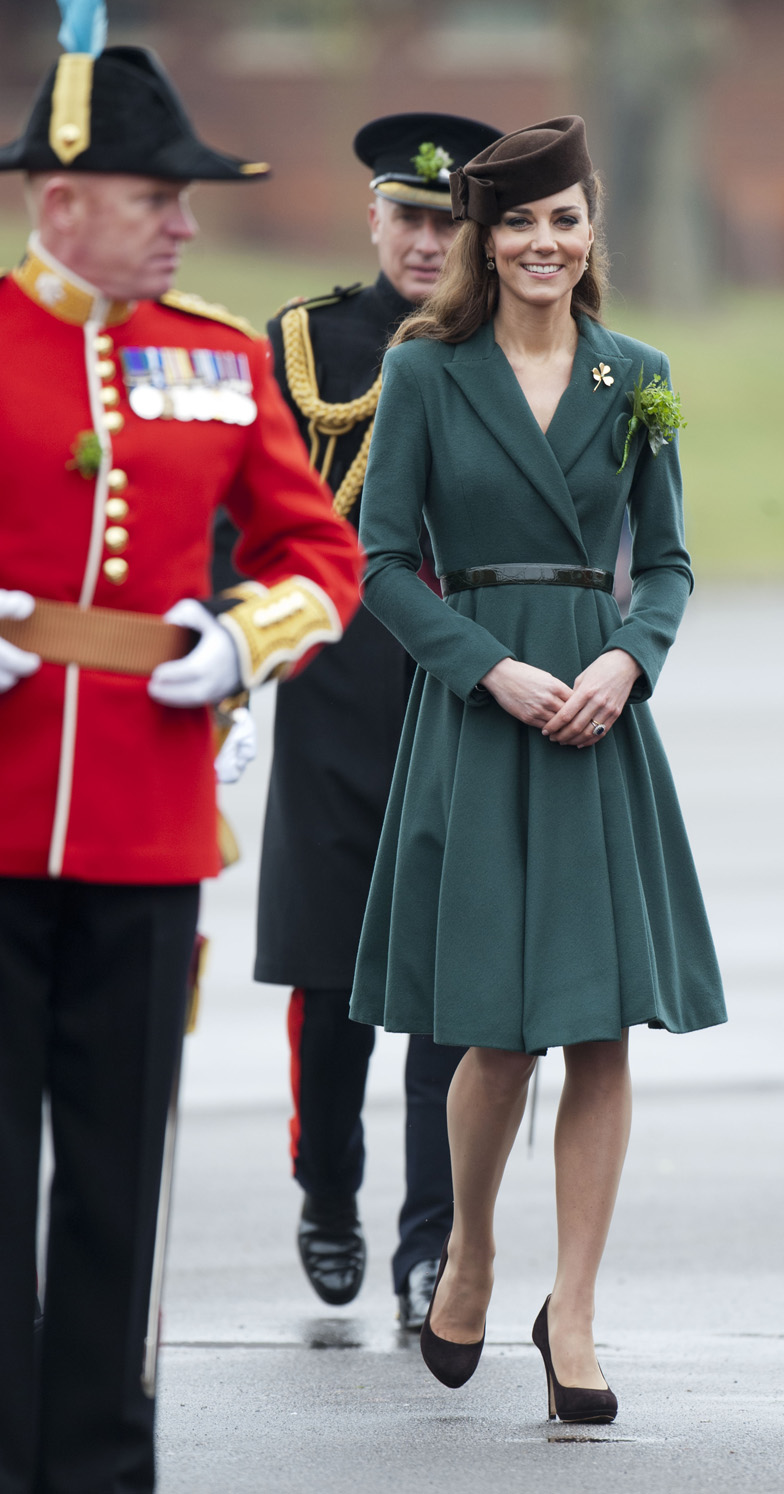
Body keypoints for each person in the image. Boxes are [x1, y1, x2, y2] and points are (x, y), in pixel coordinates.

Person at [0, 28, 362, 1494]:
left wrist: (244, 639)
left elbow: (317, 551)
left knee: (117, 1184)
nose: (186, 223)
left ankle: (94, 1467)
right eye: (161, 195)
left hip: (149, 836)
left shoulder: (214, 358)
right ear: (61, 198)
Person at [349, 116, 727, 1422]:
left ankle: (575, 1312)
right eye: (518, 222)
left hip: (600, 712)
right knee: (498, 1033)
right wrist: (486, 670)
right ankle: (467, 1252)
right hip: (486, 705)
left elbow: (668, 561)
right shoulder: (425, 375)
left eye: (565, 220)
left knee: (600, 1023)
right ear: (481, 238)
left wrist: (630, 661)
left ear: (590, 229)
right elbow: (382, 561)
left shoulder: (640, 375)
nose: (544, 244)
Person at [213, 111, 502, 1329]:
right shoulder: (305, 343)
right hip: (334, 686)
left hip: (461, 690)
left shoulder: (506, 346)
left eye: (451, 223)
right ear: (373, 218)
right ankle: (327, 1190)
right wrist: (232, 652)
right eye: (411, 218)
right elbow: (246, 517)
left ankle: (429, 1247)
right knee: (333, 992)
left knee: (448, 990)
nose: (429, 242)